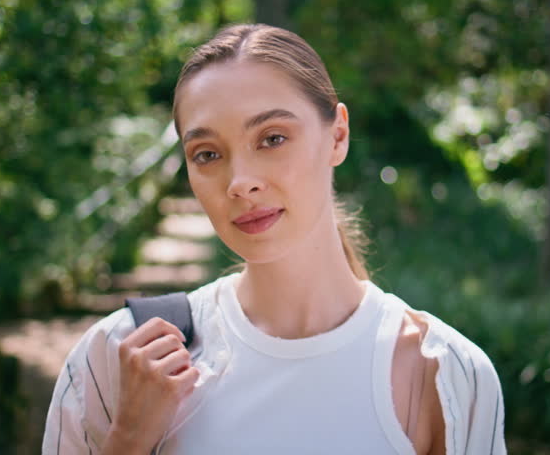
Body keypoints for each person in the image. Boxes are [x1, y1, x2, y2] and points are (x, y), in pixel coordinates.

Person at [43, 23, 506, 455]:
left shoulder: (443, 373)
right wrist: (128, 440)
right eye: (207, 154)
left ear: (338, 135)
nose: (239, 182)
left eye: (272, 138)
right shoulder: (121, 357)